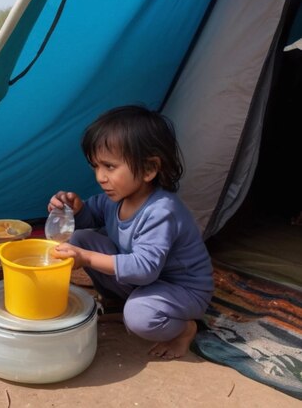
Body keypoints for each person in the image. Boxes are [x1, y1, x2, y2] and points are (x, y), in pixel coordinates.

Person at [48, 105, 213, 359]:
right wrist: (74, 209)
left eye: (109, 167)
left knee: (140, 317)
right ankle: (121, 302)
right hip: (148, 284)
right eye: (95, 166)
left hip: (182, 289)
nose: (100, 177)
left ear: (148, 169)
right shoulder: (116, 197)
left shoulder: (161, 211)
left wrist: (87, 258)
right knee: (81, 239)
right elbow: (90, 216)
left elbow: (144, 268)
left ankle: (184, 329)